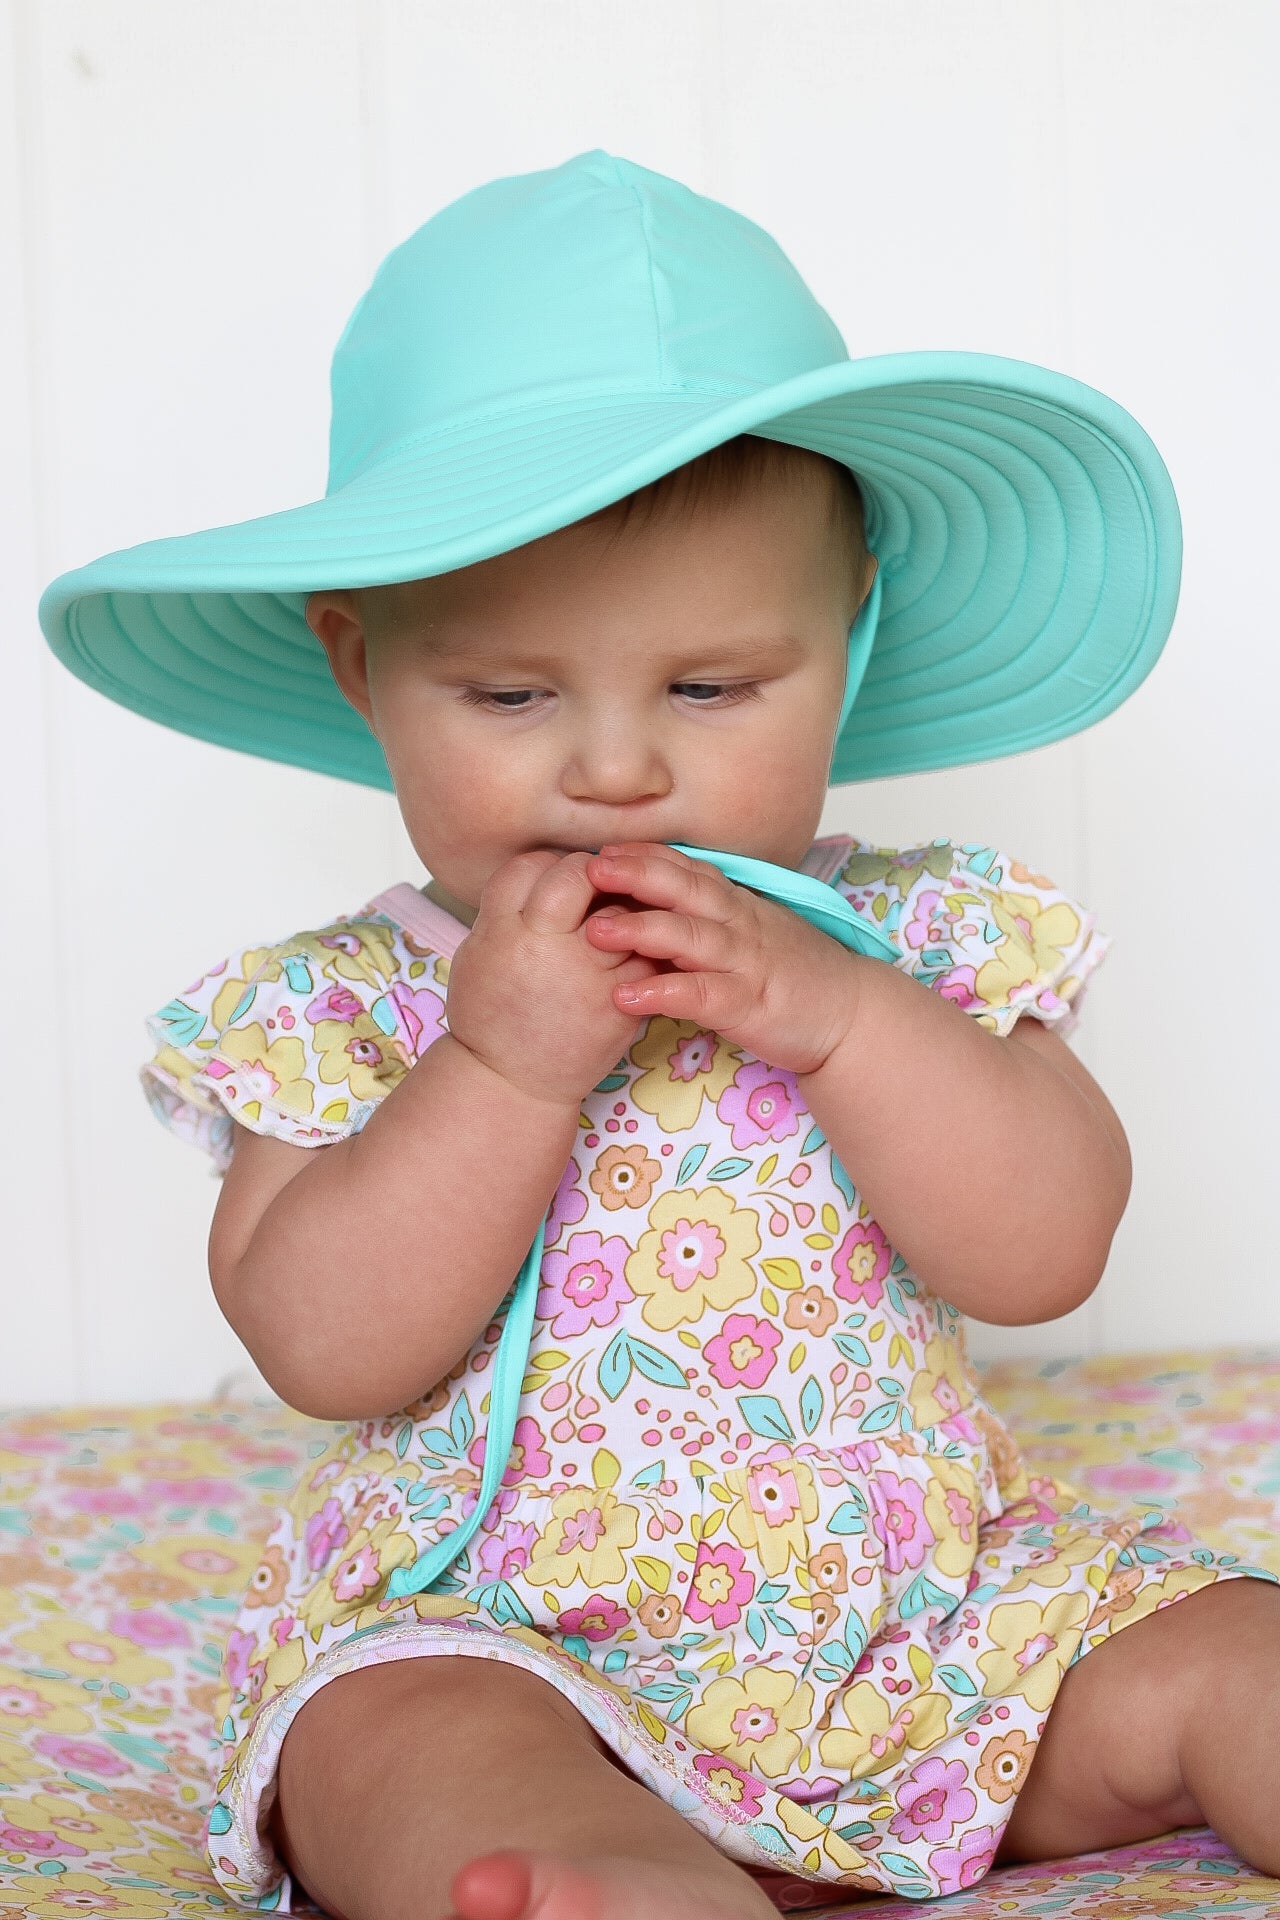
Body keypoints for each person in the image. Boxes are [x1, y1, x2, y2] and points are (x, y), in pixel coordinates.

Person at [40, 152, 1279, 1920]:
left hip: (927, 1630)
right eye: (509, 693)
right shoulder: (343, 1011)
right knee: (396, 1751)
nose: (615, 767)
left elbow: (1046, 1252)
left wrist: (843, 1016)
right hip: (511, 1639)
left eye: (711, 688)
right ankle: (621, 1883)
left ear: (845, 642)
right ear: (356, 665)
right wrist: (500, 1068)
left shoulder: (916, 940)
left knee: (1231, 1653)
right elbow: (324, 1344)